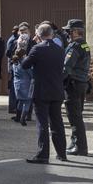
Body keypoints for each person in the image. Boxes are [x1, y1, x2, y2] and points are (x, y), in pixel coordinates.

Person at [22, 24, 68, 163]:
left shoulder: (37, 48)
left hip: (41, 90)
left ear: (39, 34)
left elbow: (25, 65)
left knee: (42, 124)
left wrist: (25, 53)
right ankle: (62, 153)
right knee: (57, 123)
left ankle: (43, 155)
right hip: (56, 89)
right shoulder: (60, 49)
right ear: (52, 34)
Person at [62, 19, 91, 156]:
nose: (67, 33)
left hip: (73, 84)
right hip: (81, 83)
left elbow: (66, 68)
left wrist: (57, 81)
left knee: (74, 117)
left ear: (74, 32)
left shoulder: (74, 47)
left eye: (68, 31)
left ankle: (80, 147)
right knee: (77, 116)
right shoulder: (84, 45)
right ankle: (75, 143)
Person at [11, 23, 35, 126]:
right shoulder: (25, 61)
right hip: (26, 82)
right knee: (27, 102)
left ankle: (18, 115)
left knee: (20, 100)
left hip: (17, 83)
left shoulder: (14, 60)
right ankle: (23, 118)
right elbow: (30, 72)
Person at [5, 26, 20, 115]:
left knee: (13, 87)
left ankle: (13, 107)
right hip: (13, 65)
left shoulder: (13, 38)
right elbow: (8, 53)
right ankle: (13, 107)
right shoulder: (13, 40)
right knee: (13, 88)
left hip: (12, 65)